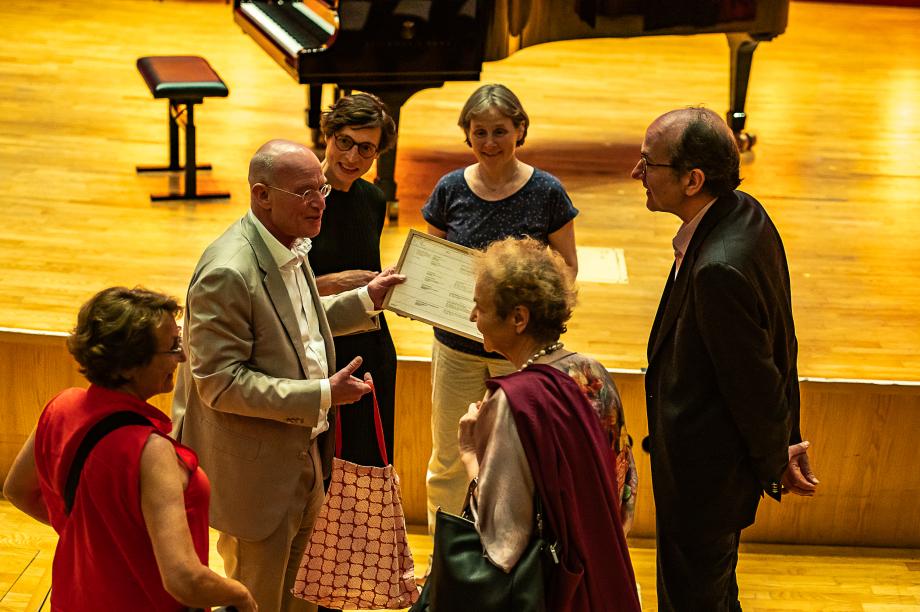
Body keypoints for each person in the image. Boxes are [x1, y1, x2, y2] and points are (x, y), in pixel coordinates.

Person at [172, 139, 405, 612]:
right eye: (304, 192)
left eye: (320, 187)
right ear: (261, 195)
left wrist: (365, 301)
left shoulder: (288, 243)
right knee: (256, 602)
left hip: (305, 454)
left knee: (300, 599)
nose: (321, 200)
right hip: (258, 472)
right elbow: (221, 382)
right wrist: (323, 393)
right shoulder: (229, 272)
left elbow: (296, 323)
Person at [633, 107, 820, 611]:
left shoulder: (718, 269)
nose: (637, 173)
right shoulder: (744, 212)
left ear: (692, 179)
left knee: (692, 600)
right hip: (713, 468)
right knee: (710, 594)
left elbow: (752, 379)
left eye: (648, 162)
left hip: (705, 476)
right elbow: (775, 344)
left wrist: (776, 456)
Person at [2, 287, 256, 612]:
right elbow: (184, 580)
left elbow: (18, 491)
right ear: (128, 367)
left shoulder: (61, 408)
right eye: (172, 348)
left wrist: (93, 539)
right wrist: (239, 595)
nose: (182, 357)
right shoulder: (151, 452)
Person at [422, 83, 579, 529]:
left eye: (500, 131)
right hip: (455, 347)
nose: (489, 143)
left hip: (518, 354)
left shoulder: (547, 191)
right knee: (450, 457)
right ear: (467, 135)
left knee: (516, 456)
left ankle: (508, 554)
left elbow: (566, 268)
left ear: (520, 130)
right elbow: (434, 266)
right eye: (480, 132)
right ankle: (446, 559)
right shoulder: (450, 188)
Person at [454, 236, 641, 611]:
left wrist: (470, 453)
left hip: (549, 591)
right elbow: (625, 490)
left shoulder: (512, 401)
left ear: (519, 318)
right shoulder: (595, 373)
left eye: (480, 307)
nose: (473, 318)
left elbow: (500, 538)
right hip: (604, 574)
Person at [308, 92, 398, 467]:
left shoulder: (373, 199)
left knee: (369, 464)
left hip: (370, 344)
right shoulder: (300, 196)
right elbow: (271, 287)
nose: (352, 157)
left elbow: (366, 272)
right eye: (345, 142)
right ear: (327, 134)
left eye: (366, 149)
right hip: (316, 341)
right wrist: (337, 282)